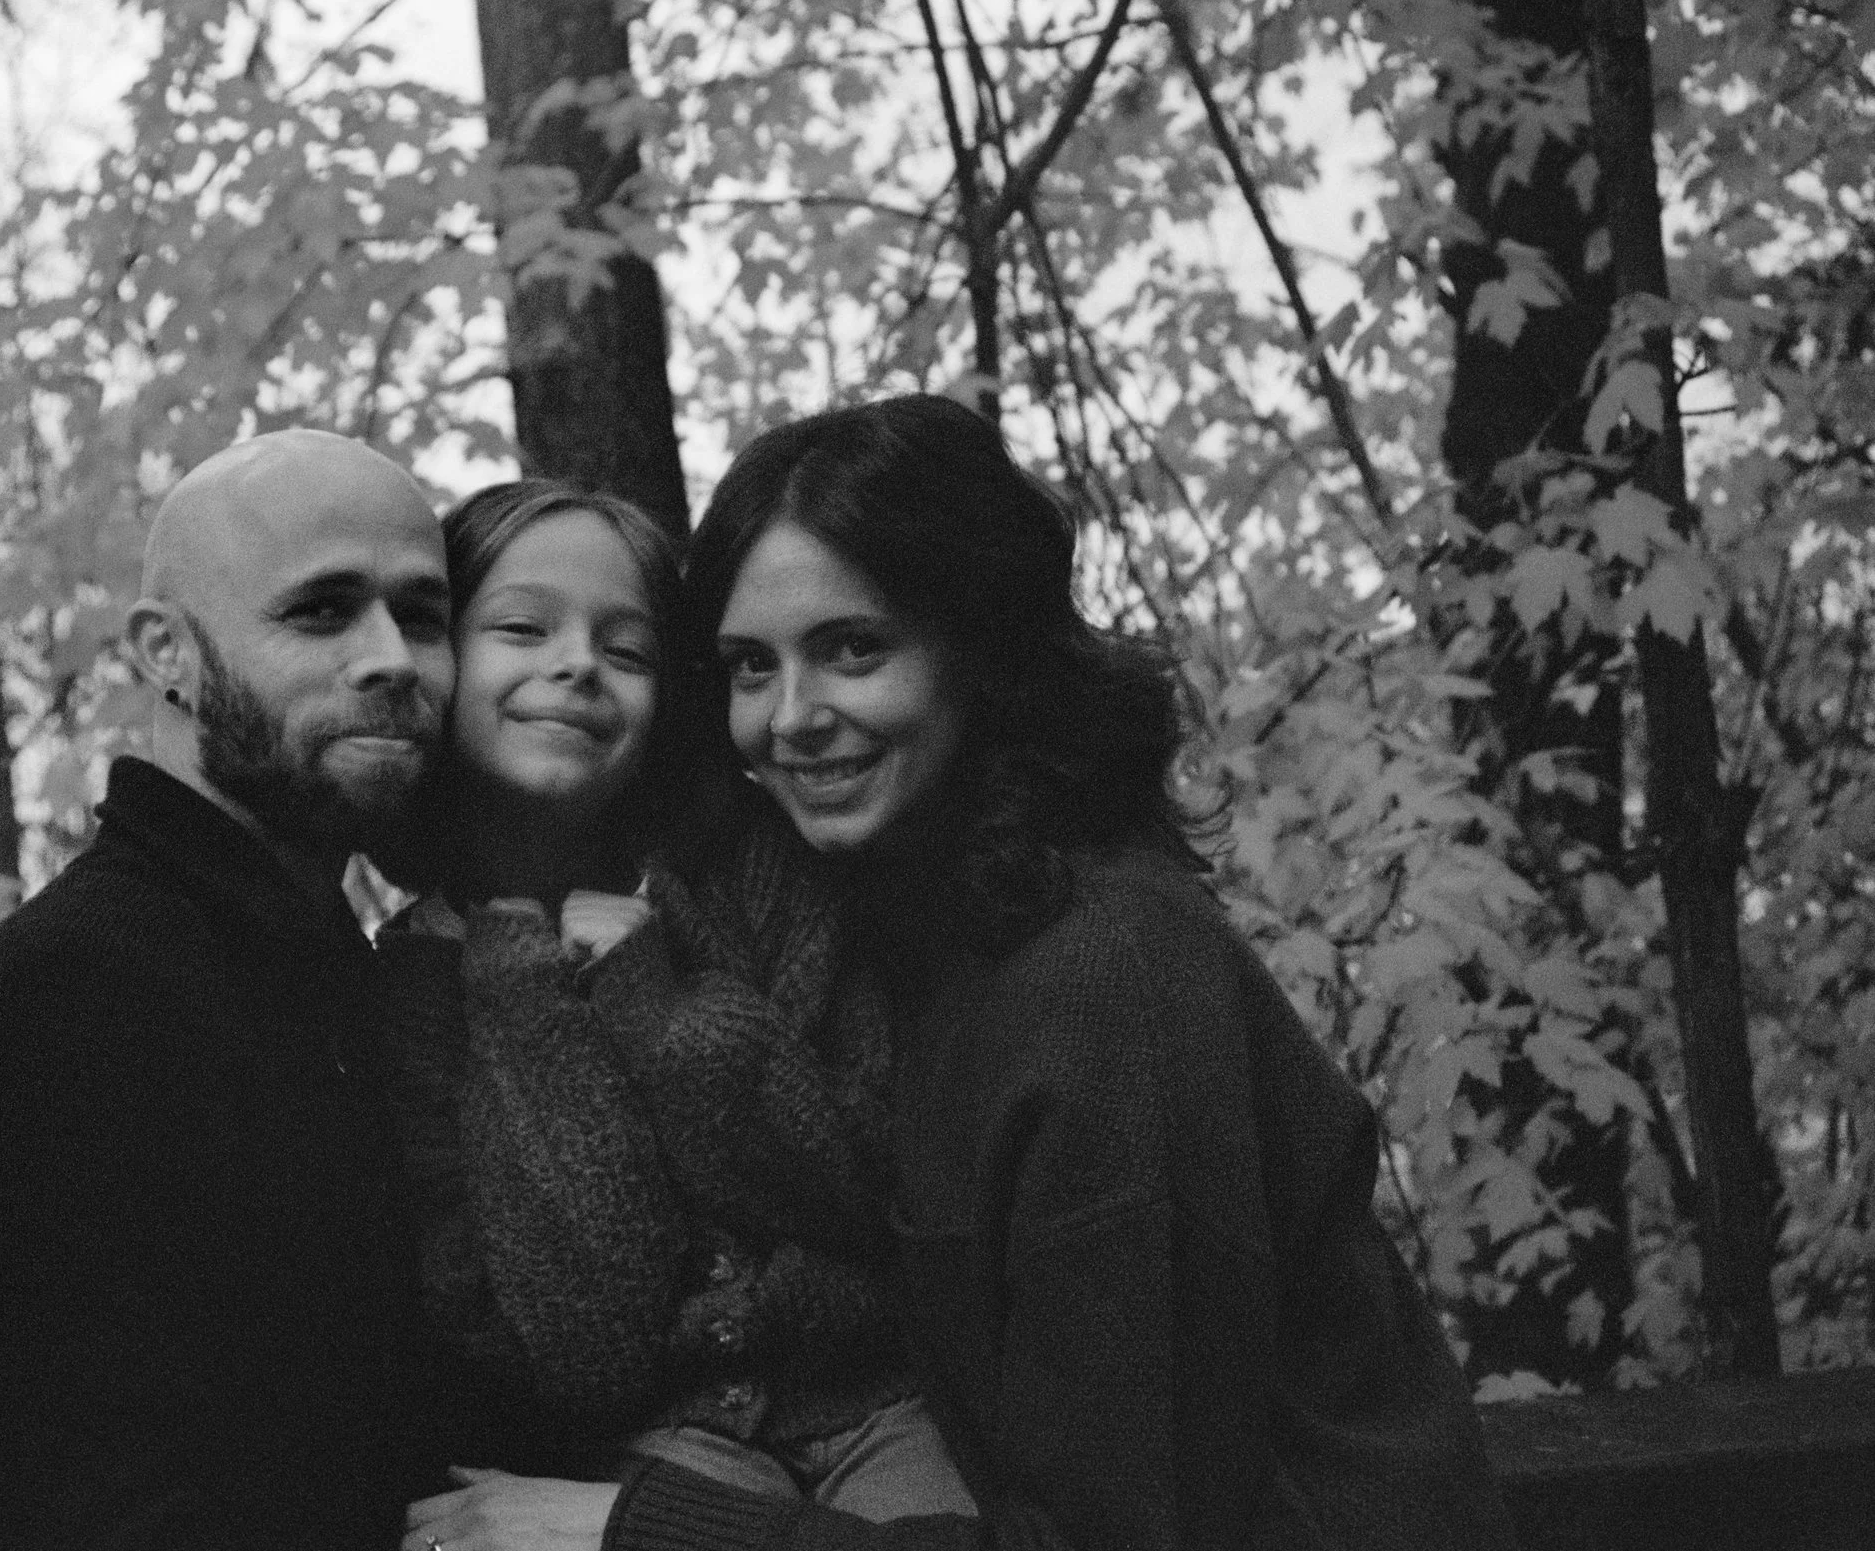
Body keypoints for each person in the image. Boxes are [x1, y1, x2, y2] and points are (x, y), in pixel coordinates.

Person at [413, 397, 1517, 1551]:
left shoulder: (1102, 981)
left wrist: (633, 1532)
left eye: (854, 647)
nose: (792, 718)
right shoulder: (902, 924)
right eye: (749, 665)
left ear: (983, 650)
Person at [0, 429, 463, 1550]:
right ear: (166, 652)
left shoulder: (325, 975)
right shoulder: (71, 1013)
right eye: (322, 611)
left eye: (423, 614)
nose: (392, 657)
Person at [383, 480, 977, 1527]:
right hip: (655, 1442)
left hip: (877, 1396)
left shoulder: (757, 872)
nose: (576, 663)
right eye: (523, 628)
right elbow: (585, 1337)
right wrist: (522, 984)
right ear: (439, 658)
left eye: (628, 649)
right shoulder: (416, 986)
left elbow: (858, 1175)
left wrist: (662, 1012)